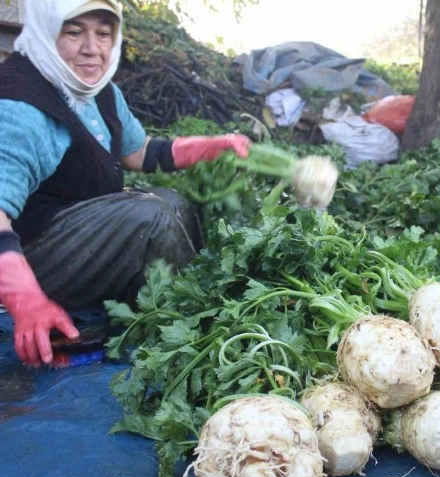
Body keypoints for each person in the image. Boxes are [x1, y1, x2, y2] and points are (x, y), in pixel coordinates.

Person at [0, 0, 254, 367]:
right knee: (152, 217)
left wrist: (211, 146)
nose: (93, 47)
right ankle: (187, 331)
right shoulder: (22, 105)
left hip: (73, 231)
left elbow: (141, 153)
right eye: (74, 32)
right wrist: (26, 300)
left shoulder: (96, 90)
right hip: (31, 255)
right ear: (45, 31)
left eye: (103, 34)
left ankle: (168, 310)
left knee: (174, 202)